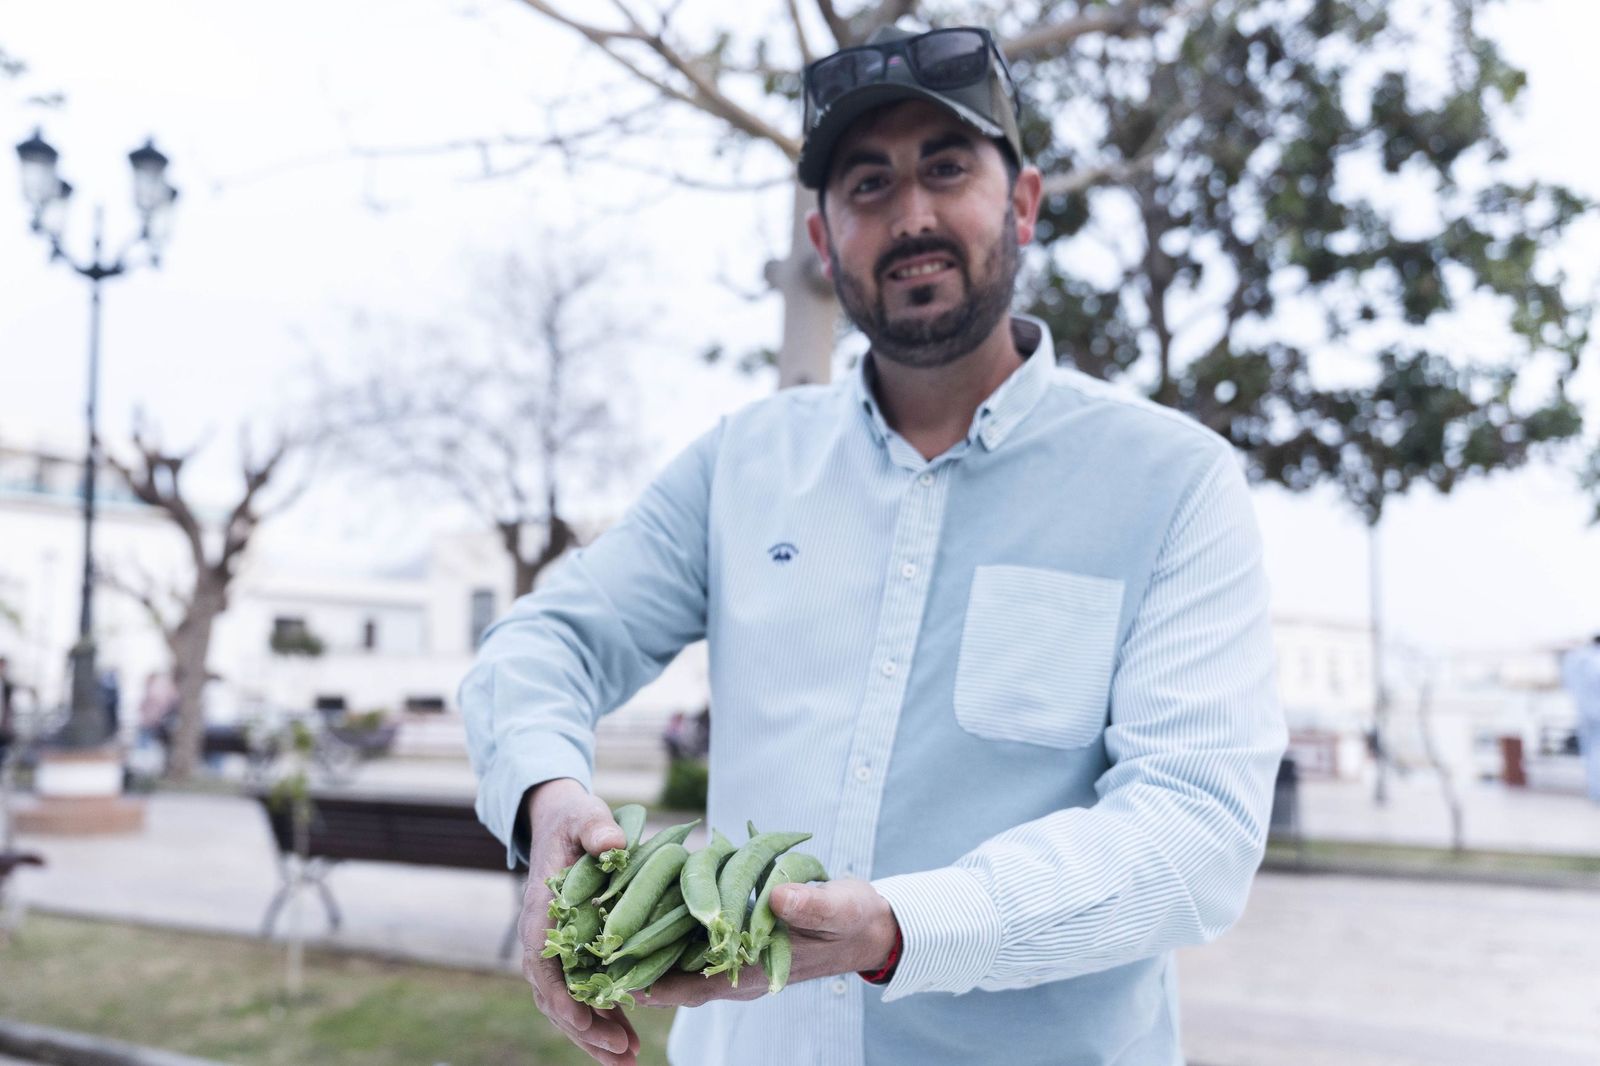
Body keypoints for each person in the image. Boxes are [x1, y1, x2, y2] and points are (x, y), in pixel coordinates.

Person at [460, 21, 1285, 1066]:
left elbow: (1192, 833)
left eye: (946, 169)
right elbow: (543, 644)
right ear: (822, 240)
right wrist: (546, 800)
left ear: (1023, 203)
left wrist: (898, 927)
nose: (912, 216)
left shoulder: (1171, 481)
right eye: (866, 186)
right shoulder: (738, 466)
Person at [1560, 634, 1600, 803]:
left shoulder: (1574, 659)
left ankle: (1595, 791)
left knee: (1590, 753)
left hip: (1584, 713)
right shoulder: (1594, 660)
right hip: (1595, 713)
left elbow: (1568, 683)